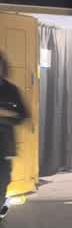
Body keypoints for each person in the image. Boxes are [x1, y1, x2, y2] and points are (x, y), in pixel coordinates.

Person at [0, 51, 30, 208]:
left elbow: (23, 116)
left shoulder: (12, 90)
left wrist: (5, 113)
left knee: (3, 182)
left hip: (4, 147)